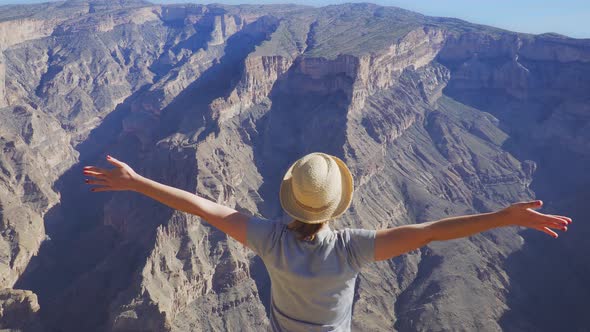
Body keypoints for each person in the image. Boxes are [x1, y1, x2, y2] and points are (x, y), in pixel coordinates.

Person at [83, 152, 571, 332]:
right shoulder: (354, 248)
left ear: (290, 199)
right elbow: (432, 231)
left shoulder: (267, 239)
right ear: (336, 205)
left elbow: (197, 205)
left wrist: (137, 182)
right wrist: (503, 219)